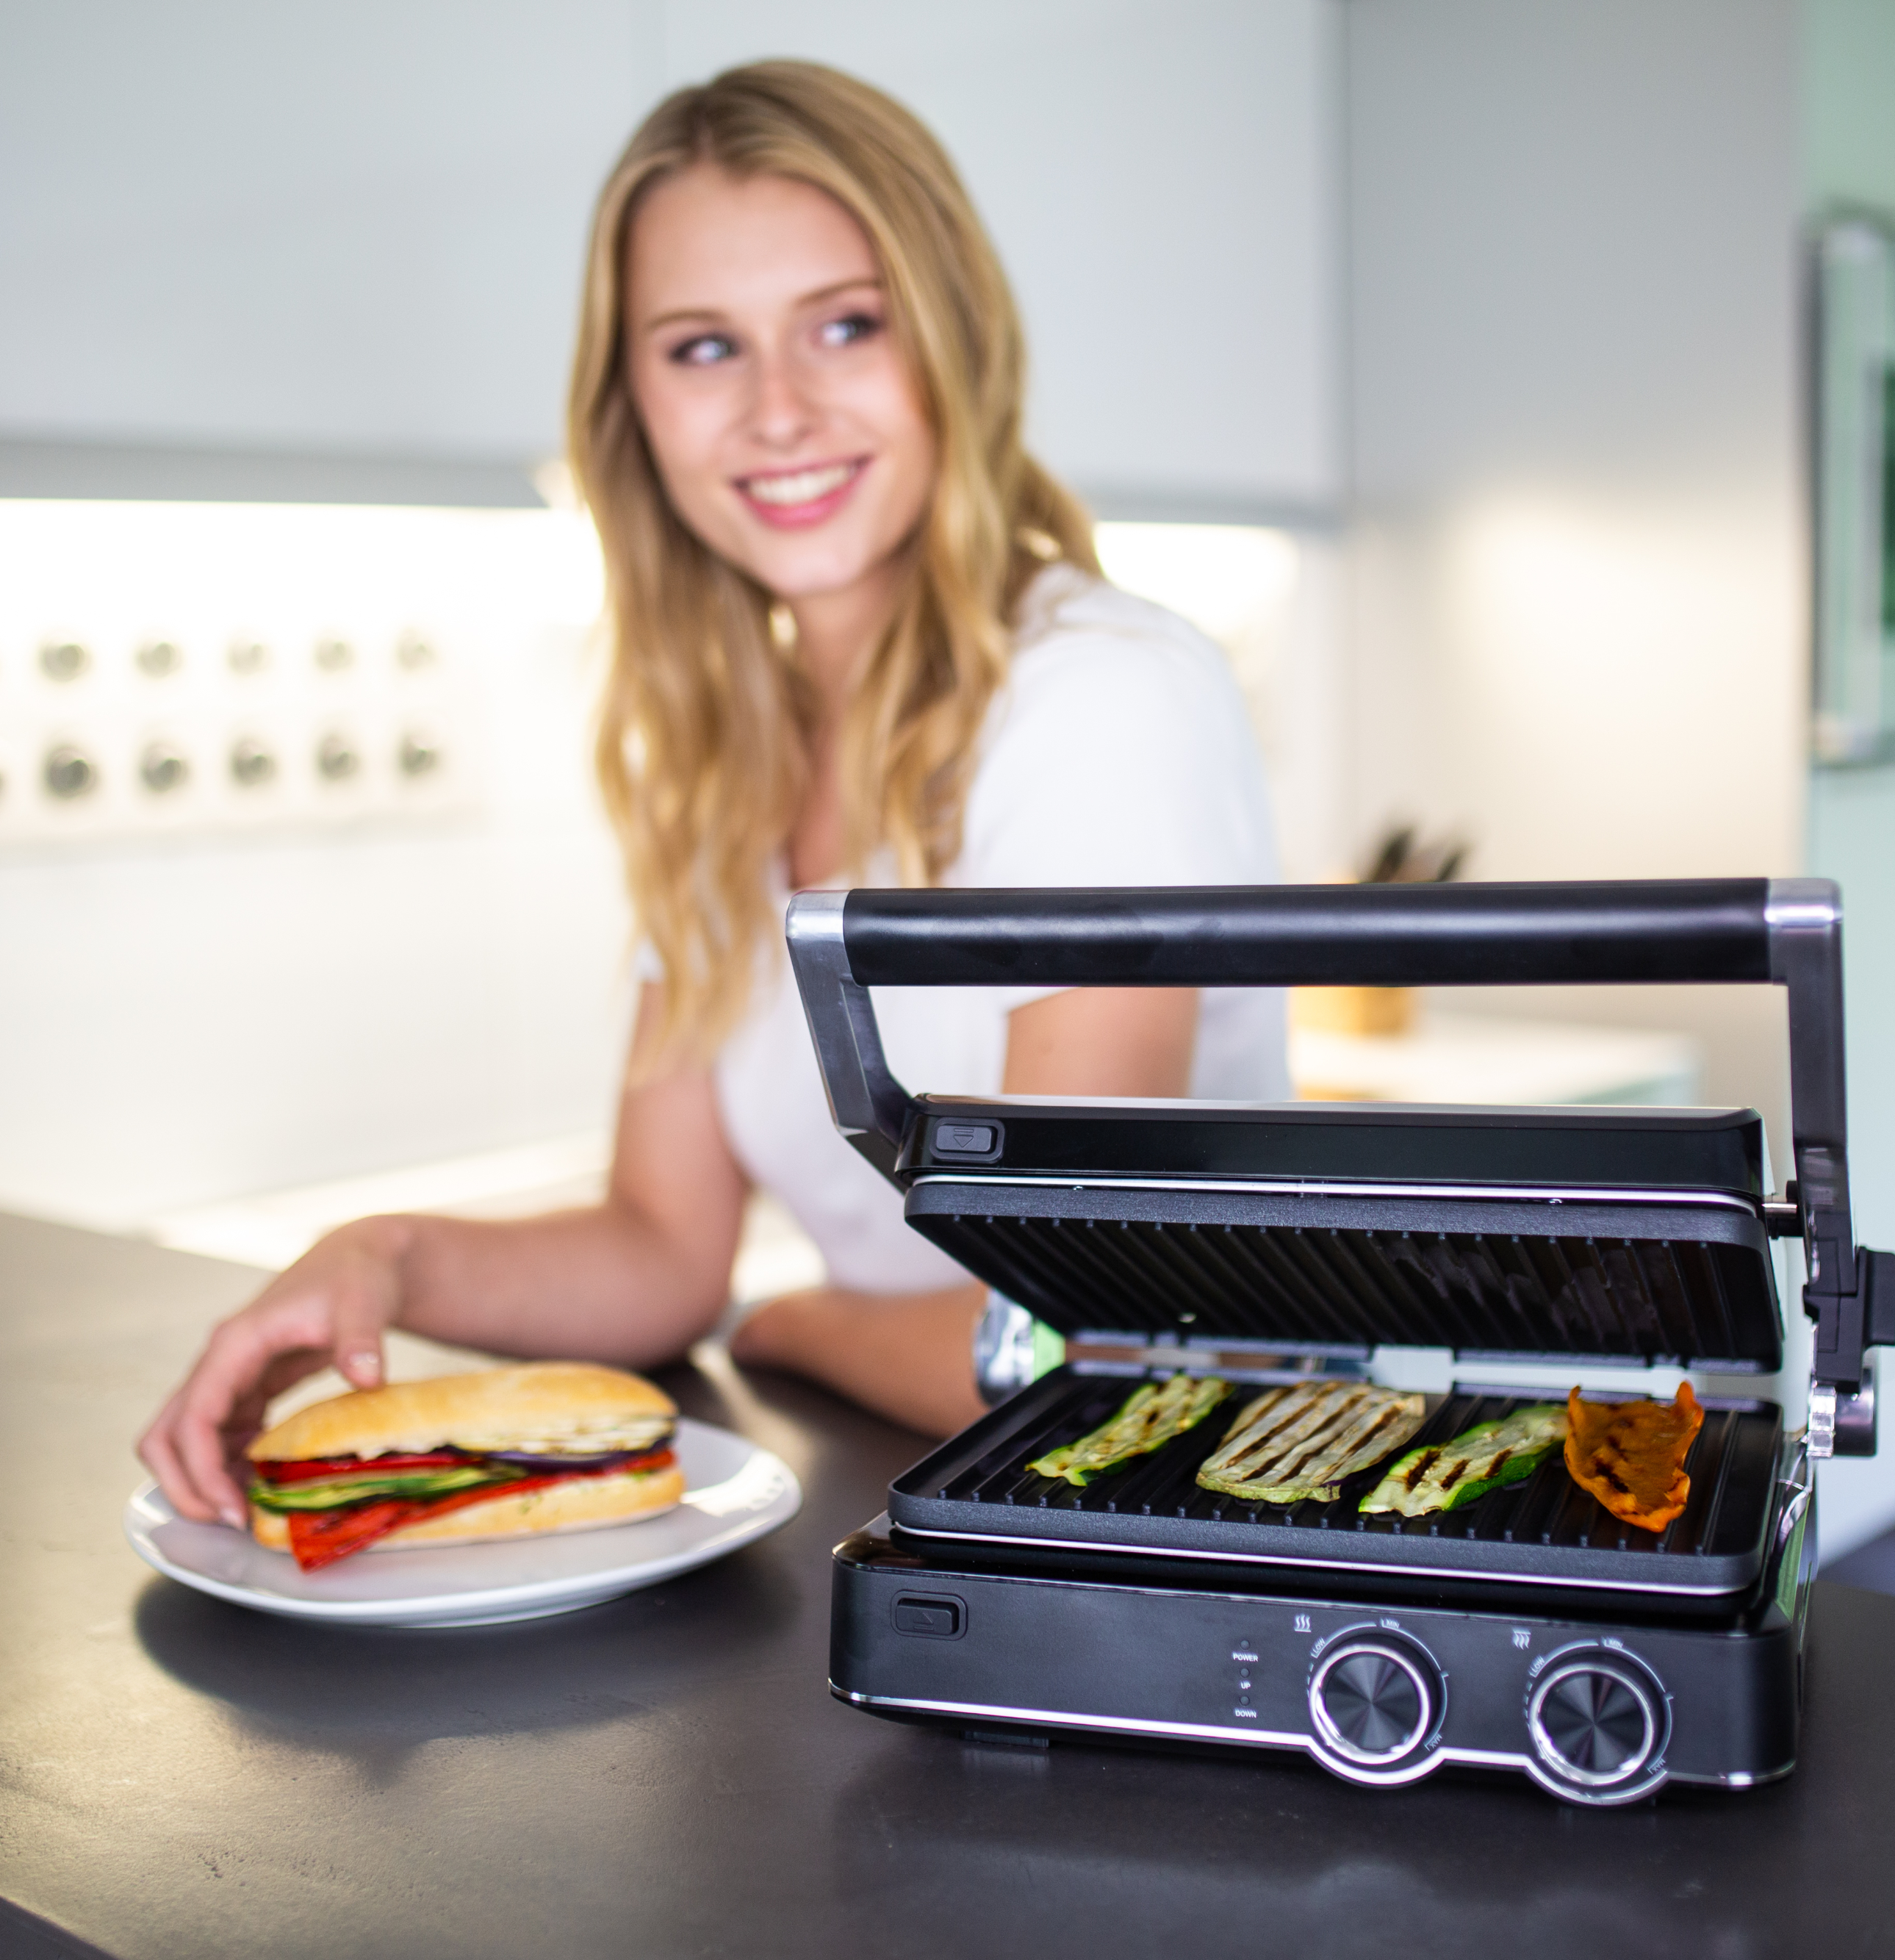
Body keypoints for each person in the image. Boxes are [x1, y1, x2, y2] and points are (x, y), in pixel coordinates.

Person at [138, 60, 1286, 1527]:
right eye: (700, 349)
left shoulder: (1095, 698)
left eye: (845, 325)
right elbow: (659, 1245)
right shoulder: (721, 749)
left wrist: (792, 1323)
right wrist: (380, 1259)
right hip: (912, 1506)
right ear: (632, 406)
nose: (778, 410)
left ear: (954, 342)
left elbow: (1064, 1348)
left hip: (1148, 1541)